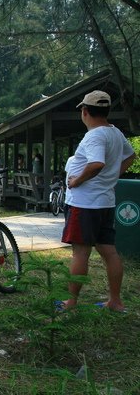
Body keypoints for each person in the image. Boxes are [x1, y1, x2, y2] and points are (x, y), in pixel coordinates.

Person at [60, 90, 136, 312]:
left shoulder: (94, 135)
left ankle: (71, 302)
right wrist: (113, 177)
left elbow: (96, 164)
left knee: (80, 253)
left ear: (84, 111)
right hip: (105, 202)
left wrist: (76, 181)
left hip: (85, 204)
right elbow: (130, 157)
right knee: (109, 252)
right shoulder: (115, 132)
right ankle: (115, 301)